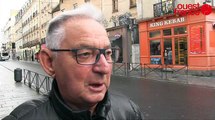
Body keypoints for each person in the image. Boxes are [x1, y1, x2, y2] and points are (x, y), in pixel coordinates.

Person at [3, 3, 144, 120]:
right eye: (85, 54)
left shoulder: (129, 112)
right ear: (49, 62)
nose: (104, 67)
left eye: (108, 53)